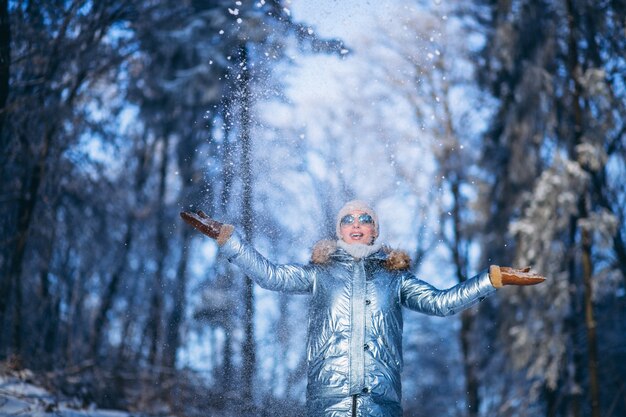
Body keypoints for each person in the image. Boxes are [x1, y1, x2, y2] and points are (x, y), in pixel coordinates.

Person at [180, 200, 545, 417]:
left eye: (364, 219)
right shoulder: (319, 273)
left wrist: (492, 278)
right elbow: (270, 275)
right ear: (339, 231)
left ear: (375, 232)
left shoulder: (395, 277)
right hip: (328, 405)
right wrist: (229, 240)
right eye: (348, 220)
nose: (357, 224)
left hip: (381, 406)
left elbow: (443, 302)